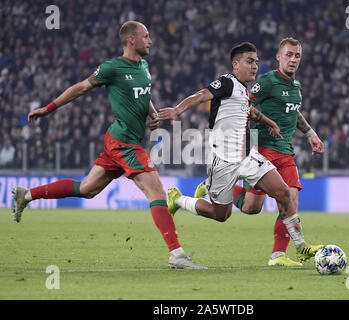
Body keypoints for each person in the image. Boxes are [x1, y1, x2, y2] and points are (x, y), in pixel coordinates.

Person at [11, 21, 206, 270]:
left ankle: (26, 195)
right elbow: (81, 87)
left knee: (87, 189)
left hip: (122, 140)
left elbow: (143, 94)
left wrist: (153, 113)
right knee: (156, 191)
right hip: (123, 142)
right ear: (131, 40)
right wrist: (49, 109)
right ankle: (177, 255)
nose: (151, 40)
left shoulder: (144, 66)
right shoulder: (112, 68)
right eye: (146, 36)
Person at [159, 42, 321, 264]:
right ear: (235, 65)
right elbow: (201, 95)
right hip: (223, 161)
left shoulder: (244, 91)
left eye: (256, 61)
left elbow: (251, 111)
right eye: (249, 61)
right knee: (221, 215)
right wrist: (177, 109)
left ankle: (300, 246)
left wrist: (268, 121)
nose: (255, 66)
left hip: (247, 158)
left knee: (283, 193)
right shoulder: (227, 82)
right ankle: (178, 200)